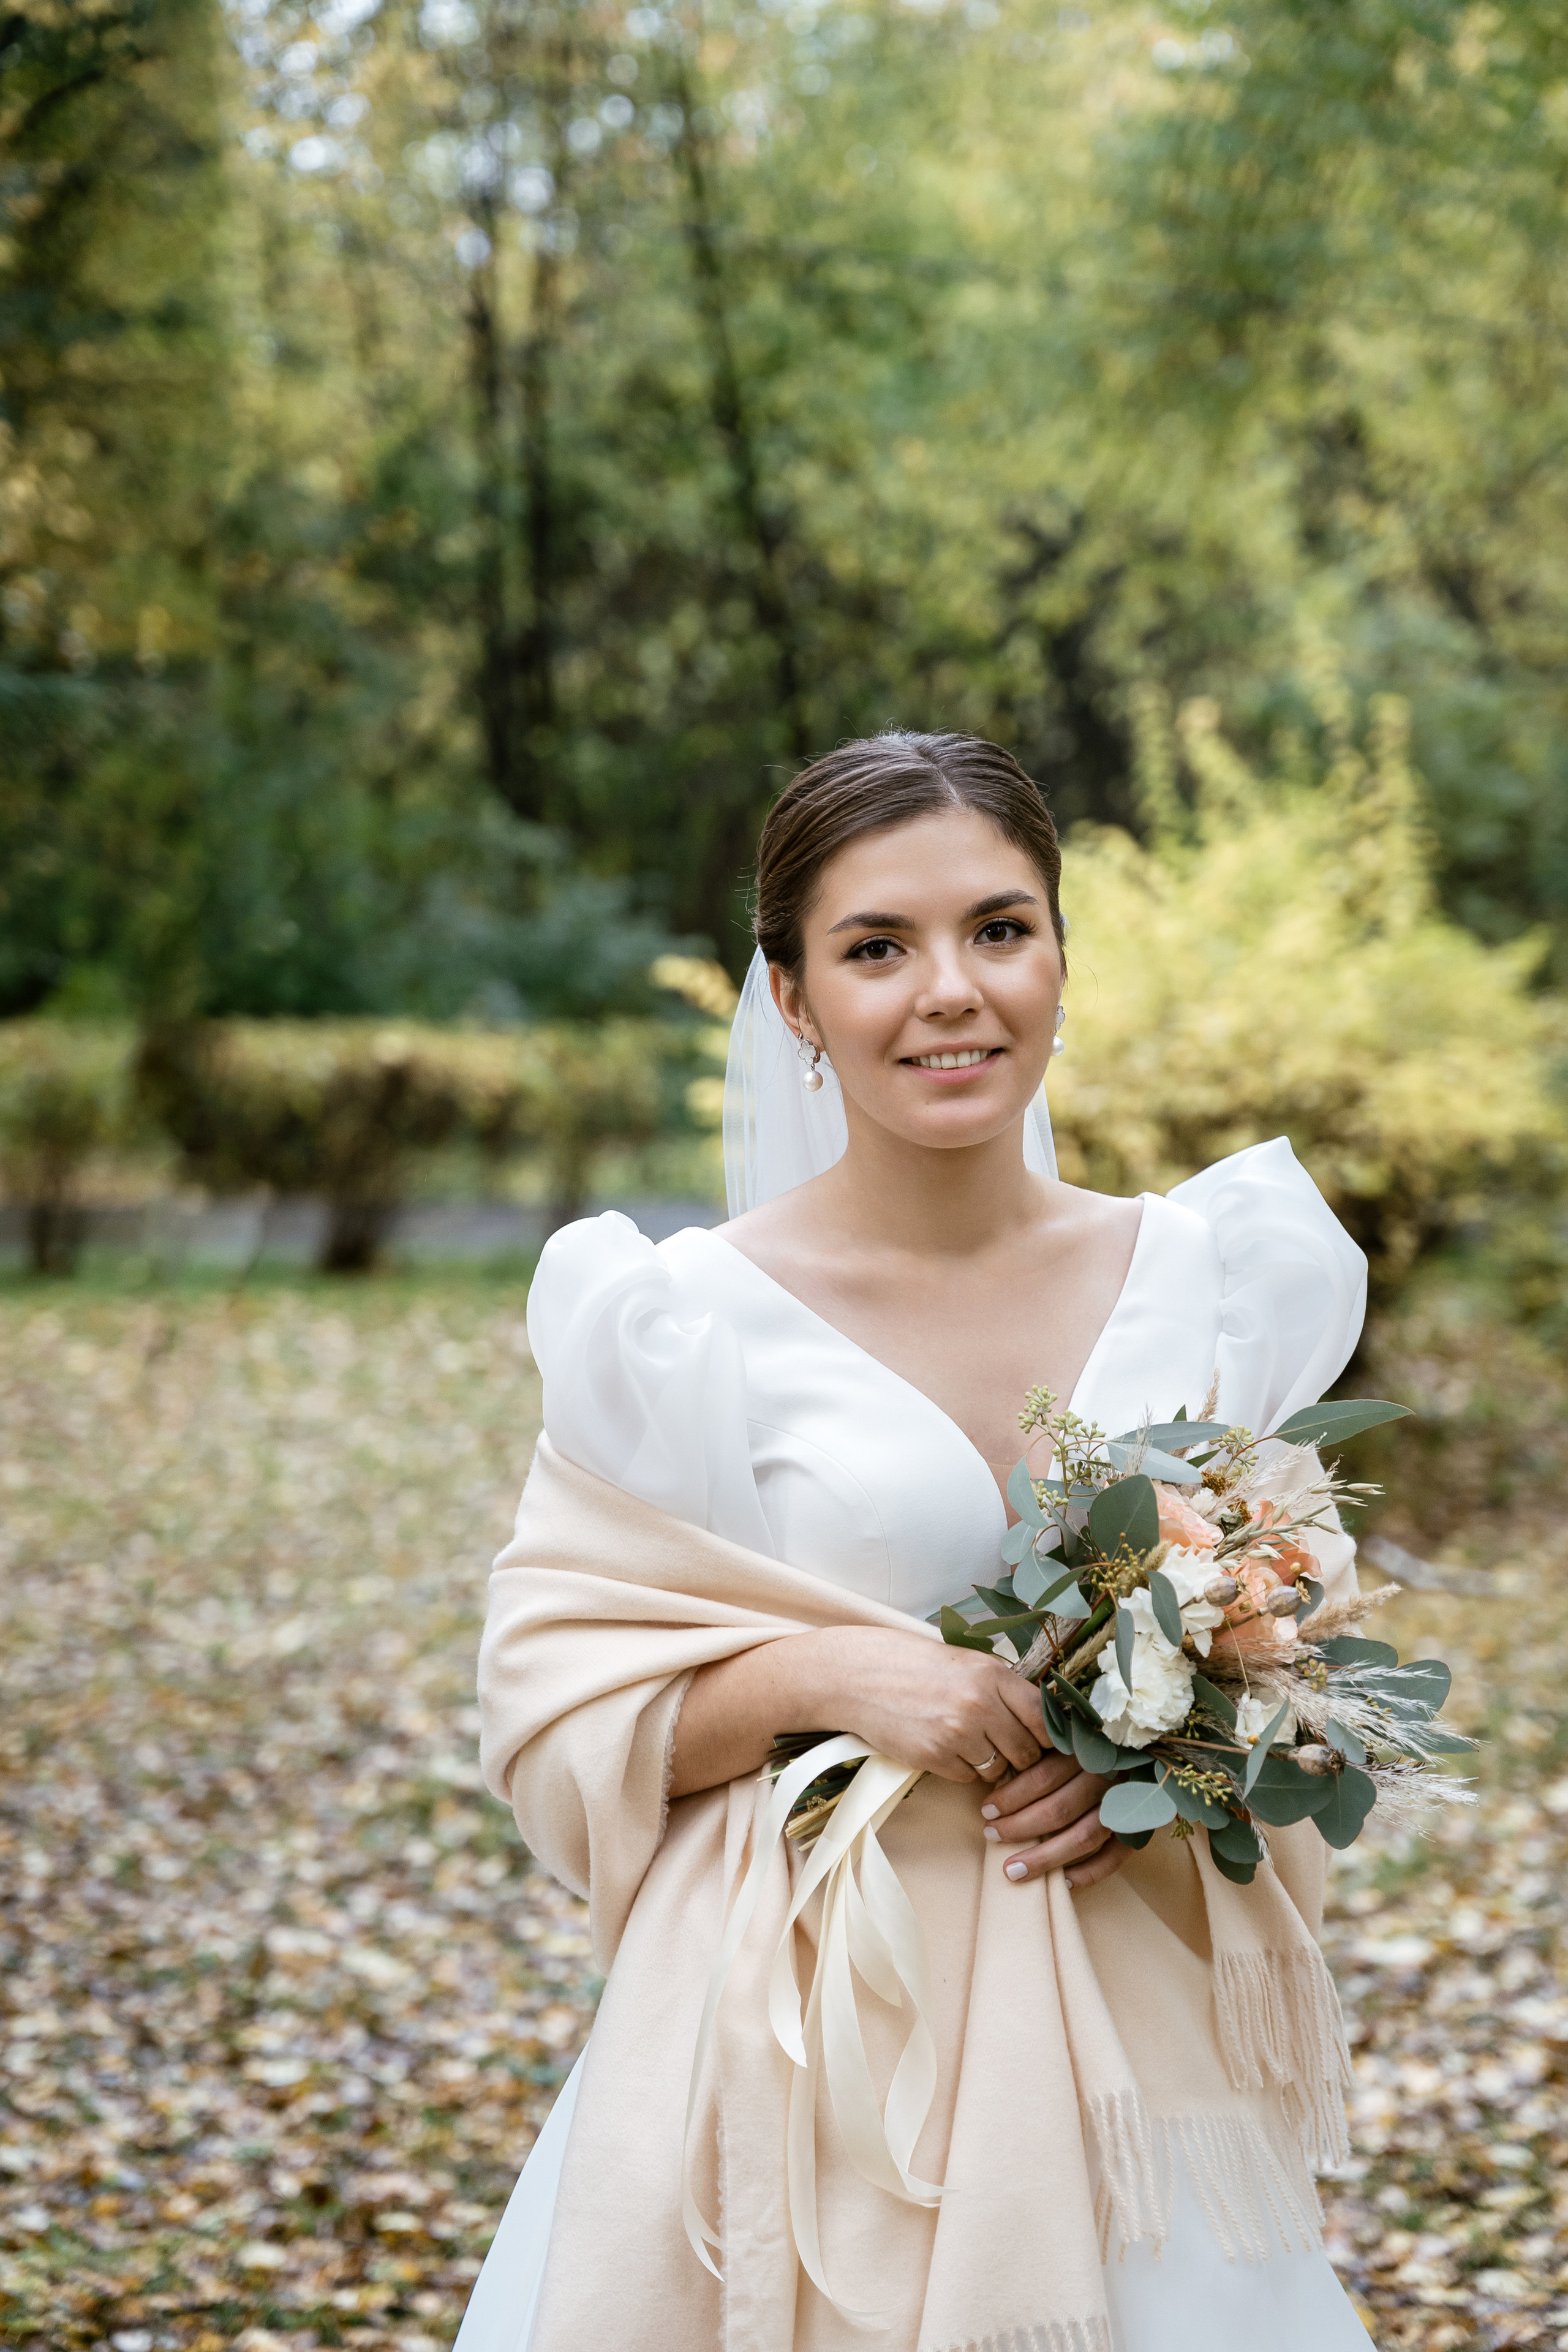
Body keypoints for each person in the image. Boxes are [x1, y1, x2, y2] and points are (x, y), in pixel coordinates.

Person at [461, 732, 1376, 2352]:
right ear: (795, 1000)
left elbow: (1302, 1638)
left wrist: (1166, 1752)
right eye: (878, 948)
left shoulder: (1211, 1276)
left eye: (999, 929)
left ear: (1059, 958)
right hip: (815, 2038)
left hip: (1128, 2030)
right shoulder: (679, 1326)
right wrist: (833, 1675)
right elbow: (563, 1703)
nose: (950, 990)